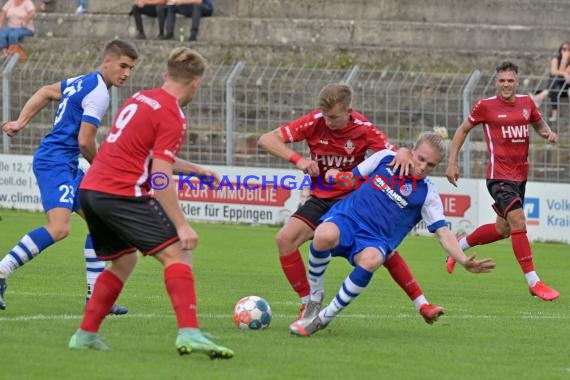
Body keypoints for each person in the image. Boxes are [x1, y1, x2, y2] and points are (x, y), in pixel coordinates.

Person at [68, 47, 234, 358]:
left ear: (165, 75)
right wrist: (181, 224)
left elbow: (144, 155)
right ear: (196, 84)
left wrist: (196, 170)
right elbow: (160, 177)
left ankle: (85, 334)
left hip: (91, 190)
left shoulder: (141, 98)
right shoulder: (172, 114)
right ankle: (190, 333)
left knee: (124, 260)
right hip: (120, 193)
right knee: (179, 255)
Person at [258, 83, 446, 327]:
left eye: (334, 117)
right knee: (285, 240)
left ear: (349, 111)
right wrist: (299, 160)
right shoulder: (315, 121)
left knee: (383, 252)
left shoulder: (363, 129)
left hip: (351, 198)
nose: (328, 121)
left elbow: (398, 154)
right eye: (325, 115)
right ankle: (309, 302)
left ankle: (421, 303)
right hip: (322, 195)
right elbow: (266, 139)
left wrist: (401, 151)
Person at [289, 131, 496, 337]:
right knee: (323, 235)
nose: (423, 166)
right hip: (349, 218)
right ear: (412, 151)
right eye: (421, 159)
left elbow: (442, 232)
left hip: (376, 239)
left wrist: (462, 259)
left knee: (372, 260)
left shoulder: (428, 194)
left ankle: (323, 318)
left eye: (430, 165)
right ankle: (315, 297)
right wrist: (336, 177)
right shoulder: (386, 158)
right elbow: (353, 178)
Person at [0, 39, 138, 314]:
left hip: (66, 163)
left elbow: (45, 91)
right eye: (122, 66)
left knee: (101, 224)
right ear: (107, 61)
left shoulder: (83, 82)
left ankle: (96, 298)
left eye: (131, 68)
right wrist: (104, 170)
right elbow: (85, 141)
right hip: (56, 162)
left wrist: (20, 122)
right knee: (59, 228)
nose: (126, 73)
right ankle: (2, 271)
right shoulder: (99, 93)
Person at [445, 61, 560, 301]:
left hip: (520, 177)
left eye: (510, 80)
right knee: (518, 220)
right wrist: (452, 162)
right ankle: (533, 282)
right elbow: (463, 130)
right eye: (502, 81)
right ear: (496, 82)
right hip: (499, 176)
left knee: (503, 229)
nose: (506, 85)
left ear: (517, 82)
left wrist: (546, 132)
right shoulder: (485, 106)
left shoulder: (527, 103)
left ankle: (459, 246)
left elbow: (538, 123)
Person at [531, 41, 570, 122]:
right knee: (554, 82)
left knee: (555, 79)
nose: (566, 51)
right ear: (560, 49)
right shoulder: (556, 57)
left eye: (568, 49)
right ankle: (554, 113)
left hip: (566, 86)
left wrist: (564, 60)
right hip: (557, 86)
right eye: (564, 49)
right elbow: (553, 71)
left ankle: (540, 97)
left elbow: (565, 72)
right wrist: (563, 61)